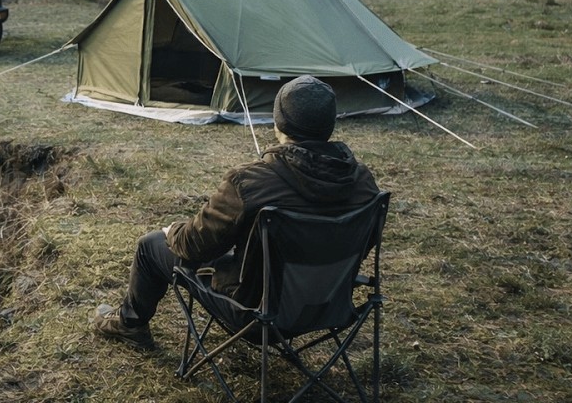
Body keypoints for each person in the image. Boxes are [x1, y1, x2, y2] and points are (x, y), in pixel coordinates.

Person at [93, 75, 380, 350]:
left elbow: (194, 247)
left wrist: (173, 232)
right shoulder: (364, 182)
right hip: (329, 302)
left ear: (279, 122)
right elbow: (365, 244)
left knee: (150, 245)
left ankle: (130, 324)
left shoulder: (251, 182)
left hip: (256, 313)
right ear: (330, 124)